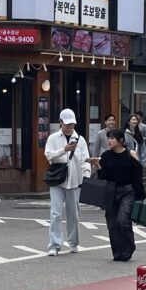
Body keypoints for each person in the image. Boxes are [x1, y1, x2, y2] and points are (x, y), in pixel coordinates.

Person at [44, 108, 91, 255]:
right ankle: (54, 245)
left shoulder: (80, 139)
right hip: (57, 180)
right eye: (67, 124)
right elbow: (49, 156)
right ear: (61, 122)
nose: (70, 127)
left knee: (74, 213)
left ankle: (73, 242)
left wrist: (87, 174)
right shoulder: (53, 138)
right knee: (55, 213)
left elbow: (85, 159)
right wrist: (64, 150)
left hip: (74, 180)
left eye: (72, 124)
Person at [97, 128, 146, 261]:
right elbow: (103, 177)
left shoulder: (129, 155)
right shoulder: (106, 156)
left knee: (122, 220)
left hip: (127, 191)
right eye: (109, 138)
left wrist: (140, 195)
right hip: (111, 191)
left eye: (112, 138)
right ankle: (117, 252)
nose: (110, 141)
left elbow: (137, 175)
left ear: (121, 141)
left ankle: (129, 248)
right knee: (112, 223)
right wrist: (98, 166)